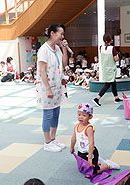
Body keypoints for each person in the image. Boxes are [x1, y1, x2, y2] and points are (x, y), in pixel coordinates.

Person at [36, 23, 68, 152]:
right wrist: (48, 88)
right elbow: (42, 71)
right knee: (48, 114)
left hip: (58, 86)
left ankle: (53, 139)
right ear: (52, 33)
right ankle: (47, 142)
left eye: (63, 34)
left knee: (56, 113)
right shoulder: (43, 50)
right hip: (46, 87)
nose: (62, 36)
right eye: (61, 33)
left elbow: (64, 64)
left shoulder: (57, 48)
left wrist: (64, 48)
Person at [70, 103, 120, 174]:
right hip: (81, 152)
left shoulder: (89, 128)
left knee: (94, 172)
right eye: (79, 114)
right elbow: (74, 137)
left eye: (84, 115)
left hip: (90, 152)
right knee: (83, 169)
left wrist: (90, 157)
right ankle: (98, 162)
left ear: (90, 117)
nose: (81, 117)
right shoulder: (77, 126)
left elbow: (91, 143)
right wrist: (72, 147)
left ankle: (108, 165)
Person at [93, 33, 122, 107]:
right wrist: (118, 55)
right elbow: (116, 59)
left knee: (113, 83)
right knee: (107, 84)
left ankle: (116, 98)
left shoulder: (101, 47)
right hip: (111, 68)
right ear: (111, 40)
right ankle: (97, 98)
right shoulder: (112, 48)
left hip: (105, 68)